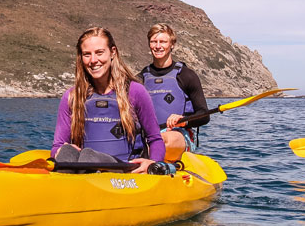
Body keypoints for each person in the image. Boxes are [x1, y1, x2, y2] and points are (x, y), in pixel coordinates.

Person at [52, 27, 166, 173]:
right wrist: (60, 151)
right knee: (67, 152)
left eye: (99, 53)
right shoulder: (72, 97)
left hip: (124, 172)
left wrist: (152, 164)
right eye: (87, 54)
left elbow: (155, 139)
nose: (93, 60)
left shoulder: (135, 91)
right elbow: (57, 146)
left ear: (113, 52)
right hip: (84, 171)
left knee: (88, 156)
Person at [138, 23, 209, 160]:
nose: (158, 46)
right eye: (154, 41)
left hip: (179, 134)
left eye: (163, 41)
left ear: (172, 44)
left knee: (162, 142)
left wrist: (184, 120)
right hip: (148, 136)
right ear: (149, 44)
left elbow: (204, 115)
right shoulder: (140, 78)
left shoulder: (187, 76)